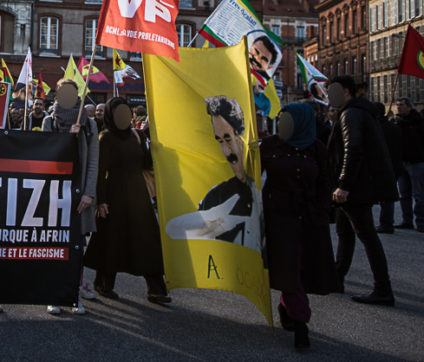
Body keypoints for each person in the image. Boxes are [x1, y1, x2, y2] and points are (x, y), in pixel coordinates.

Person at [262, 103, 338, 349]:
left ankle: (287, 305)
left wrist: (322, 211)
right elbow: (248, 173)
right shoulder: (271, 146)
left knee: (304, 269)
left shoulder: (316, 148)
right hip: (280, 218)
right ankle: (301, 322)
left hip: (309, 219)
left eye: (288, 121)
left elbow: (325, 181)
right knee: (289, 268)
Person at [84, 97, 171, 305]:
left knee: (148, 241)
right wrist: (101, 202)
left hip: (138, 196)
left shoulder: (137, 135)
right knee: (112, 242)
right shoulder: (105, 138)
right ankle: (104, 284)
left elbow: (146, 163)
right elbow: (100, 171)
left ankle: (156, 289)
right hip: (114, 196)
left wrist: (157, 142)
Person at [327, 75, 397, 306]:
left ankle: (383, 288)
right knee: (344, 232)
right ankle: (337, 278)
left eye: (333, 91)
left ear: (346, 91)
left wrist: (344, 185)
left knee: (366, 235)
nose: (330, 96)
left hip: (356, 187)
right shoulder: (358, 112)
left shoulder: (351, 114)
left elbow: (353, 149)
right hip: (361, 184)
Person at [165, 96, 262, 252]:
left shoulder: (267, 185)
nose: (225, 151)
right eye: (219, 141)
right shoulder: (217, 195)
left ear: (242, 137)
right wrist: (216, 221)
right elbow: (172, 229)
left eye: (228, 139)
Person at [41, 78, 99, 315]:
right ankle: (54, 294)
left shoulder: (89, 124)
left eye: (72, 93)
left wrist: (89, 193)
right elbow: (44, 156)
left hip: (79, 194)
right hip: (57, 193)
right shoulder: (48, 121)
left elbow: (94, 161)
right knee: (54, 245)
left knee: (76, 248)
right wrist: (67, 141)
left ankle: (73, 295)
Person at [391, 97, 424, 231]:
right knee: (404, 194)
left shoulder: (418, 121)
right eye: (397, 105)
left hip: (416, 161)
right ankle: (407, 220)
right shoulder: (397, 122)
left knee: (419, 194)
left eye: (402, 105)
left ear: (409, 107)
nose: (398, 107)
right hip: (402, 161)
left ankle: (421, 221)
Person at [375, 102, 405, 233]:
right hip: (395, 164)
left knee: (385, 197)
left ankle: (386, 223)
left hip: (384, 165)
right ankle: (387, 221)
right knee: (388, 196)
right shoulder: (393, 127)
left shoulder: (377, 129)